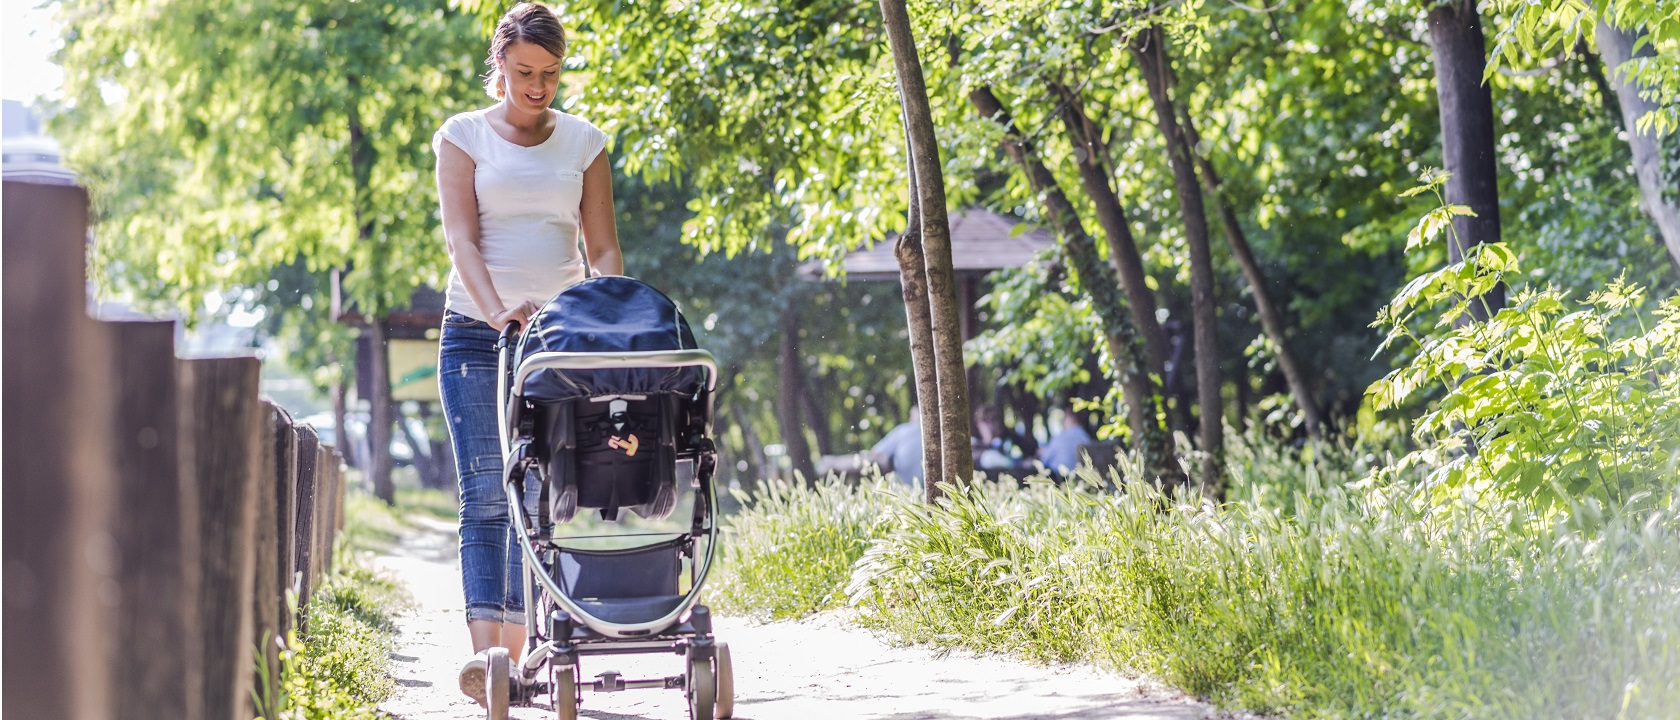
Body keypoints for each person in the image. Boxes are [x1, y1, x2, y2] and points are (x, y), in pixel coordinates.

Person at [431, 2, 621, 706]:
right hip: (477, 336)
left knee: (549, 492)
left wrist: (616, 312)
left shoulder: (584, 142)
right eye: (523, 73)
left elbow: (600, 248)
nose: (537, 87)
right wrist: (496, 309)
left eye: (549, 74)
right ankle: (492, 662)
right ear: (500, 66)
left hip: (560, 339)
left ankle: (537, 644)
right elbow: (462, 240)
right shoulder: (463, 136)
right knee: (487, 495)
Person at [870, 405, 924, 485]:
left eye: (910, 415)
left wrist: (891, 462)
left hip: (901, 490)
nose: (909, 419)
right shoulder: (937, 435)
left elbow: (875, 453)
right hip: (928, 491)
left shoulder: (903, 430)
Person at [1039, 406, 1095, 478]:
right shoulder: (1085, 436)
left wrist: (1042, 452)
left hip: (1058, 477)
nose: (1063, 421)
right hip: (1080, 477)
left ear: (1071, 419)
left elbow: (1044, 459)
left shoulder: (1060, 437)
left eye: (1065, 418)